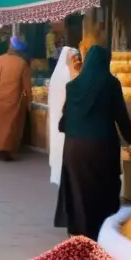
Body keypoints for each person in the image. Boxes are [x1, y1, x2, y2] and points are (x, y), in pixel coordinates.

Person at [54, 46, 131, 240]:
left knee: (78, 187)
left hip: (74, 147)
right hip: (101, 146)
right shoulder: (110, 83)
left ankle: (79, 231)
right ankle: (101, 230)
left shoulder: (73, 85)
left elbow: (64, 119)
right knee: (103, 186)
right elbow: (120, 115)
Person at [0, 36, 32, 161]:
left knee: (0, 125)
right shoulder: (22, 63)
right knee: (12, 126)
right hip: (14, 100)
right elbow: (27, 85)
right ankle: (8, 150)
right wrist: (29, 100)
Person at [48, 47, 78, 186]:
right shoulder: (69, 73)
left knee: (58, 144)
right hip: (66, 117)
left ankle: (59, 172)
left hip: (57, 116)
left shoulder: (56, 74)